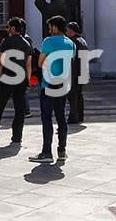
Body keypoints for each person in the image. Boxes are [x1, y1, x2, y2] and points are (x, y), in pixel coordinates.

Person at [29, 15, 75, 163]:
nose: (49, 30)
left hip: (48, 84)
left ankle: (46, 152)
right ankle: (62, 151)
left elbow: (40, 62)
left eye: (50, 27)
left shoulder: (48, 41)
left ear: (54, 27)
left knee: (47, 119)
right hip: (63, 84)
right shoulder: (70, 43)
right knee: (61, 118)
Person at [0, 17, 32, 145]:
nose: (6, 29)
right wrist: (28, 81)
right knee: (19, 110)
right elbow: (29, 65)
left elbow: (0, 61)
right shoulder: (27, 43)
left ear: (13, 28)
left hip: (7, 78)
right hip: (21, 80)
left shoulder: (6, 42)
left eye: (8, 27)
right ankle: (17, 136)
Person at [65, 22, 88, 124]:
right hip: (82, 72)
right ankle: (80, 115)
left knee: (72, 96)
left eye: (67, 30)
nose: (66, 33)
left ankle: (74, 116)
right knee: (79, 94)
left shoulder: (73, 42)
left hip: (74, 73)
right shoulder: (82, 41)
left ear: (71, 30)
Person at [20, 19, 35, 118]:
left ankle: (26, 109)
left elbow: (30, 54)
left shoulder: (26, 39)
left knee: (23, 90)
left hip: (23, 67)